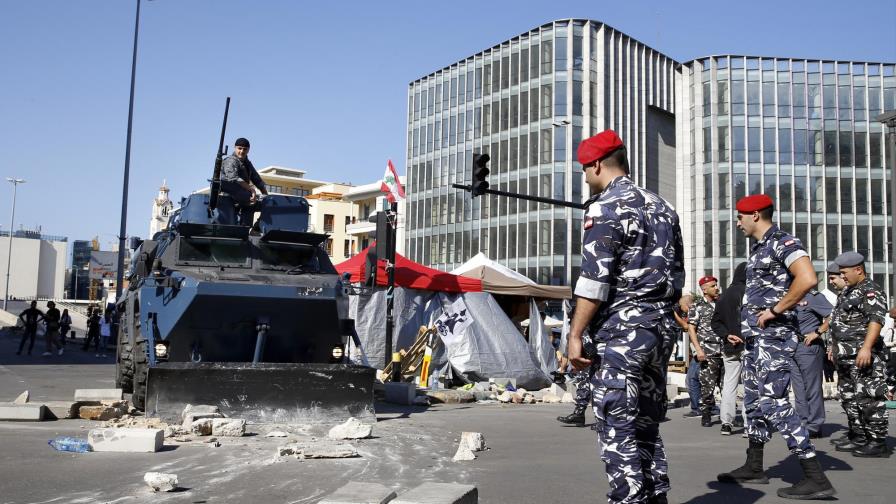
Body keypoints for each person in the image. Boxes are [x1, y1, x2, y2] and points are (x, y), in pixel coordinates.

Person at [567, 129, 684, 504]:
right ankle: (657, 498)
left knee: (617, 425)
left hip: (622, 333)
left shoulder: (604, 207)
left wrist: (575, 334)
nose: (585, 177)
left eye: (585, 170)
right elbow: (677, 277)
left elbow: (594, 280)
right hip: (659, 330)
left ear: (597, 164)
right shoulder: (664, 208)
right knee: (647, 424)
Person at [717, 194, 834, 500]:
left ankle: (814, 475)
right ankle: (754, 465)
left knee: (773, 402)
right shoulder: (759, 248)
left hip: (776, 337)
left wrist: (775, 310)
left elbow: (808, 278)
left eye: (740, 216)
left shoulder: (782, 241)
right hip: (758, 339)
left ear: (755, 215)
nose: (737, 222)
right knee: (754, 402)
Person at [828, 251, 889, 458]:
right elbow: (837, 322)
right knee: (850, 398)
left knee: (870, 398)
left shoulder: (870, 291)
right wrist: (833, 348)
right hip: (845, 356)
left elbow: (876, 320)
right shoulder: (849, 291)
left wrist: (866, 347)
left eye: (844, 272)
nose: (842, 276)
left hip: (862, 355)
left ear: (858, 270)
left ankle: (877, 441)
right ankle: (860, 435)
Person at [790, 289, 833, 438]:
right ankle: (803, 422)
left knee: (812, 388)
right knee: (799, 389)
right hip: (792, 347)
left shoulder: (813, 297)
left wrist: (818, 331)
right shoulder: (788, 296)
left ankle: (814, 425)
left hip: (808, 346)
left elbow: (833, 316)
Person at [711, 261, 747, 436]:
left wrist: (726, 335)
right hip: (749, 345)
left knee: (729, 385)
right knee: (750, 386)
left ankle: (726, 422)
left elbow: (715, 322)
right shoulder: (751, 292)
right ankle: (749, 424)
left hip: (730, 345)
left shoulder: (724, 295)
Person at [688, 276, 723, 427]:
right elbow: (691, 329)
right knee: (707, 386)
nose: (717, 288)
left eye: (716, 285)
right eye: (713, 286)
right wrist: (698, 349)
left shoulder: (722, 304)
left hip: (725, 350)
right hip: (708, 352)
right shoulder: (697, 306)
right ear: (704, 289)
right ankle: (706, 414)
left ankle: (727, 417)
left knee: (726, 385)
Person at [220, 137, 268, 226]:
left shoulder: (247, 163)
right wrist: (251, 190)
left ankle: (255, 226)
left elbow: (257, 180)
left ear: (248, 150)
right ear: (235, 148)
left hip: (244, 196)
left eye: (245, 149)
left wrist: (266, 196)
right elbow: (234, 178)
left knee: (267, 203)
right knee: (250, 201)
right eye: (239, 148)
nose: (242, 151)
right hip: (229, 196)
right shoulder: (230, 160)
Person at [675, 295, 702, 419]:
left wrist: (674, 314)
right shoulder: (700, 309)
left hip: (700, 351)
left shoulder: (694, 310)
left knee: (691, 379)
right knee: (704, 379)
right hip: (703, 350)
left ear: (686, 305)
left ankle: (697, 408)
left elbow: (686, 326)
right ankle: (708, 407)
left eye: (681, 307)